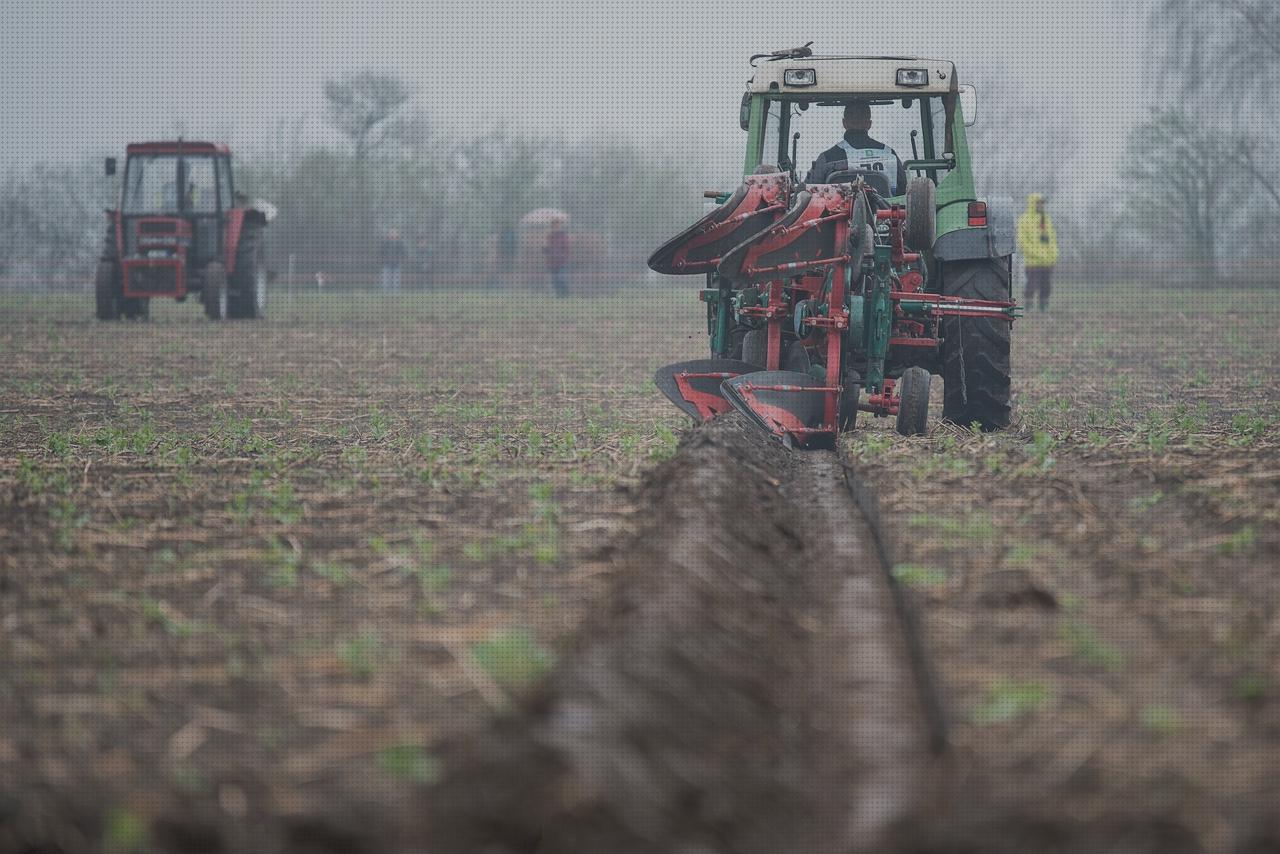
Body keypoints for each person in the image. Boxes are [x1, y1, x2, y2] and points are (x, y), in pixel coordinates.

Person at [808, 102, 907, 195]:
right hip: (888, 212)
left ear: (844, 123)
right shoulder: (889, 154)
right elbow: (904, 191)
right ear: (869, 124)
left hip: (838, 212)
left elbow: (811, 191)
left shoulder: (828, 158)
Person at [1016, 194, 1059, 313]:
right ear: (1033, 203)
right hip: (1032, 262)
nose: (1041, 205)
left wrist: (1054, 254)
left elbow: (1052, 239)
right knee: (1032, 285)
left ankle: (1043, 307)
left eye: (1042, 203)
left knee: (1046, 286)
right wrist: (1038, 254)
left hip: (1048, 262)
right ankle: (1028, 307)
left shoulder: (1046, 219)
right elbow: (1023, 242)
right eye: (1039, 203)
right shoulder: (1024, 220)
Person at [544, 218, 570, 297]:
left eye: (557, 225)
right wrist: (545, 248)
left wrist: (563, 256)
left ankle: (565, 294)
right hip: (551, 262)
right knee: (554, 280)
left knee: (561, 278)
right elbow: (547, 249)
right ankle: (559, 295)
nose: (556, 227)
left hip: (561, 261)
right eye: (554, 225)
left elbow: (567, 248)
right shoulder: (549, 236)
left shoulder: (563, 236)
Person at [379, 228, 407, 293]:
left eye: (394, 232)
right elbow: (381, 252)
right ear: (388, 234)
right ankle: (385, 293)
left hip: (396, 264)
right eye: (391, 232)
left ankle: (395, 293)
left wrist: (401, 259)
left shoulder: (400, 243)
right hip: (387, 264)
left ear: (397, 234)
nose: (393, 234)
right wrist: (383, 260)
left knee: (396, 280)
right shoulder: (385, 242)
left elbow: (403, 253)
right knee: (386, 279)